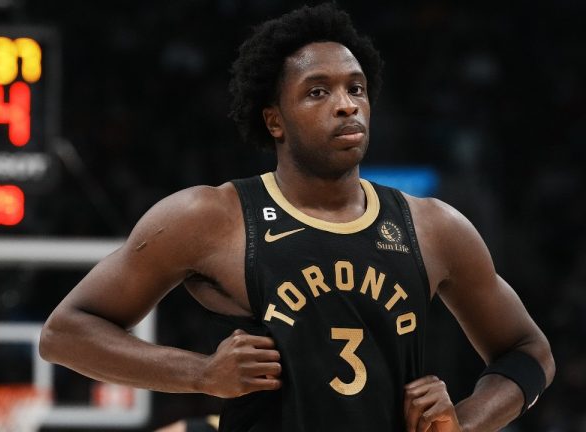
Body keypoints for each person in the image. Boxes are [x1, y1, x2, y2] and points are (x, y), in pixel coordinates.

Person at [39, 4, 555, 431]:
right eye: (318, 91)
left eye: (356, 88)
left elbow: (529, 352)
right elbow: (65, 333)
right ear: (274, 120)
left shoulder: (434, 227)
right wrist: (201, 374)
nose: (346, 105)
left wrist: (465, 422)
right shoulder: (209, 216)